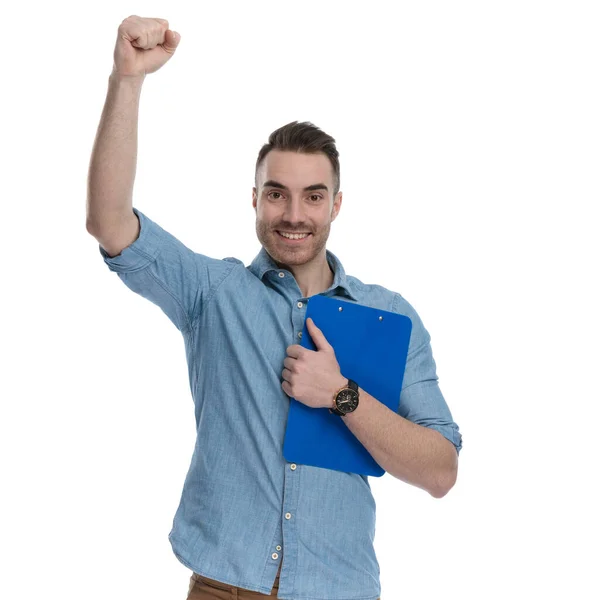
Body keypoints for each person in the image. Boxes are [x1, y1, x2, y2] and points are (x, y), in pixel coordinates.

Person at [86, 15, 463, 600]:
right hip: (224, 587)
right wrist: (127, 79)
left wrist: (342, 396)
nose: (294, 215)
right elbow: (109, 222)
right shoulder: (213, 293)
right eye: (277, 194)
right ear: (254, 198)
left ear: (336, 205)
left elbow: (440, 470)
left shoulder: (392, 318)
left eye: (313, 196)